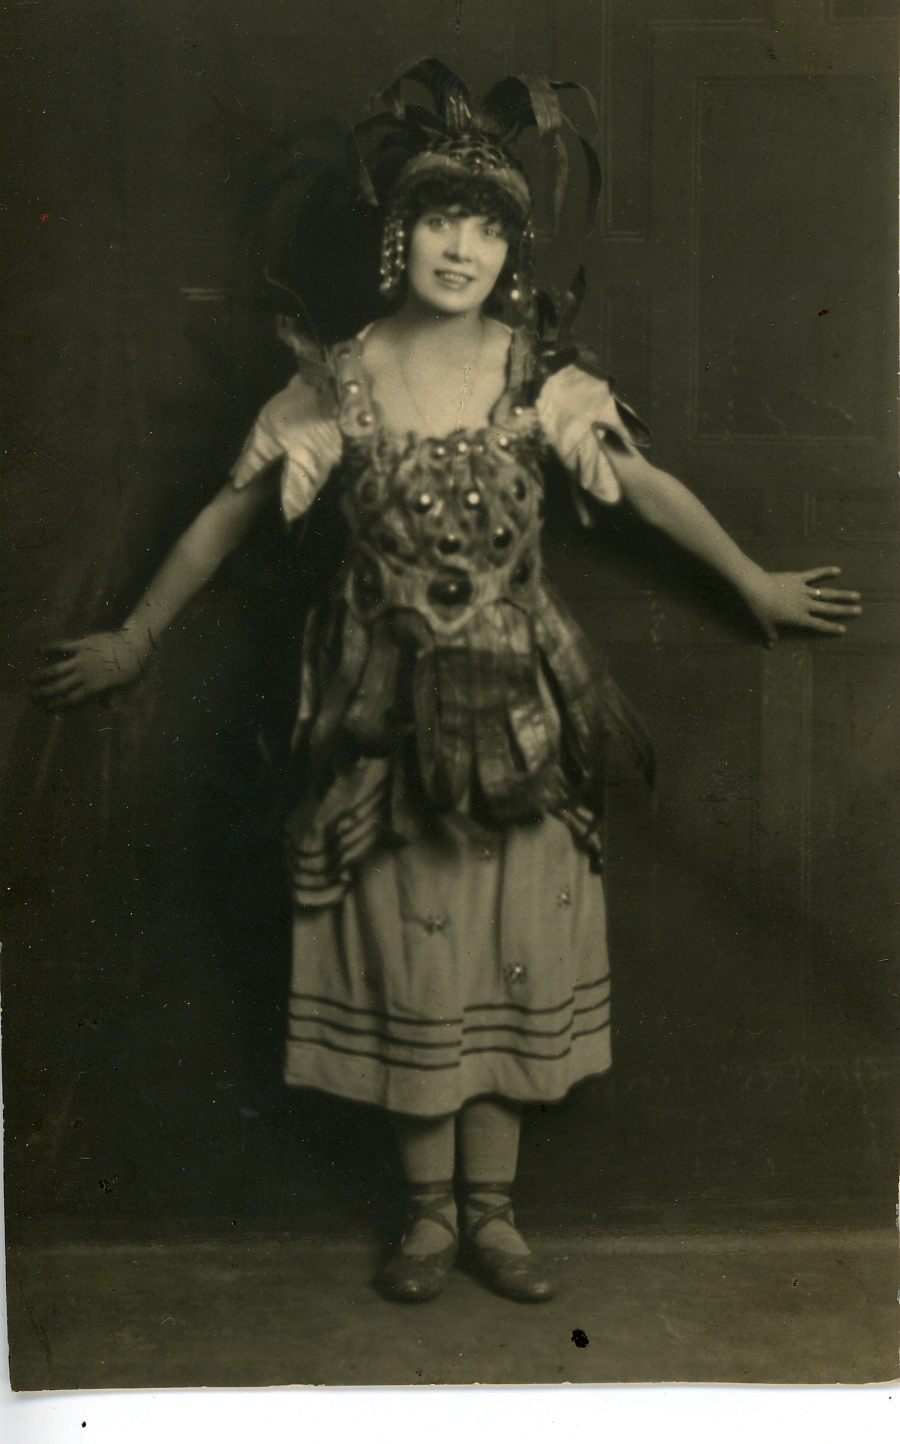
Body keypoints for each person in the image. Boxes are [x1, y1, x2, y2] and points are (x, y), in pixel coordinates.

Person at [30, 62, 861, 1305]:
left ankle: (495, 1214)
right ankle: (424, 1217)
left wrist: (748, 579)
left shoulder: (541, 378)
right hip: (375, 721)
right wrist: (140, 637)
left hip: (523, 718)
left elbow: (644, 486)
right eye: (436, 222)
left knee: (509, 947)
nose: (459, 247)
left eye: (486, 227)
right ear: (395, 237)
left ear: (512, 253)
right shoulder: (339, 379)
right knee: (413, 958)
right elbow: (227, 516)